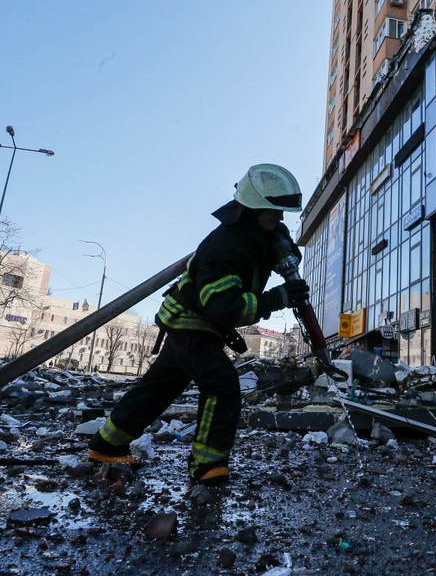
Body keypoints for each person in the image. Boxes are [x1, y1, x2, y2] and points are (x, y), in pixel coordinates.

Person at [87, 164, 310, 486]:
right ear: (253, 209)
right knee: (221, 384)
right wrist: (276, 299)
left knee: (157, 390)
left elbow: (283, 257)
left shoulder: (257, 234)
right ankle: (207, 465)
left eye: (281, 214)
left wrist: (282, 245)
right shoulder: (227, 244)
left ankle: (106, 446)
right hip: (191, 322)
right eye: (274, 213)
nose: (279, 218)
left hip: (193, 324)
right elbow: (223, 307)